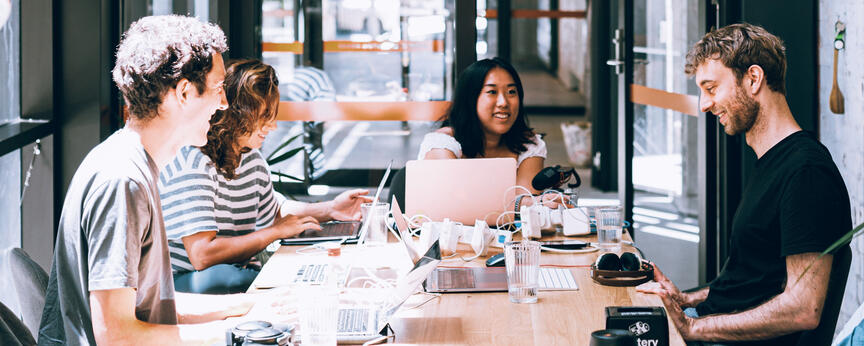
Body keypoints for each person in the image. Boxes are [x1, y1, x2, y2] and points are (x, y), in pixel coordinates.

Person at [37, 16, 286, 345]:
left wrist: (248, 307)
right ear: (184, 93)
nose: (224, 103)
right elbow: (117, 335)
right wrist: (235, 332)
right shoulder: (123, 181)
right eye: (217, 89)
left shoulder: (134, 163)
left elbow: (149, 309)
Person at [637, 23, 852, 346]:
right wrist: (685, 299)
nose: (704, 105)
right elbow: (755, 282)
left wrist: (693, 328)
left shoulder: (806, 173)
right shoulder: (773, 161)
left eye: (711, 88)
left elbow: (804, 308)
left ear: (753, 79)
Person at [158, 59, 370, 294]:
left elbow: (276, 210)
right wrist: (275, 232)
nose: (272, 125)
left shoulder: (251, 160)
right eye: (265, 115)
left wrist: (330, 209)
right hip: (183, 282)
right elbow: (202, 256)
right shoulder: (194, 162)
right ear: (238, 114)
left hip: (231, 272)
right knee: (236, 279)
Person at [419, 58, 548, 194]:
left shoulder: (529, 146)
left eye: (511, 92)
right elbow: (457, 199)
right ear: (470, 99)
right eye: (492, 92)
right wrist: (518, 203)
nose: (503, 102)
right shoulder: (441, 144)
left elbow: (527, 202)